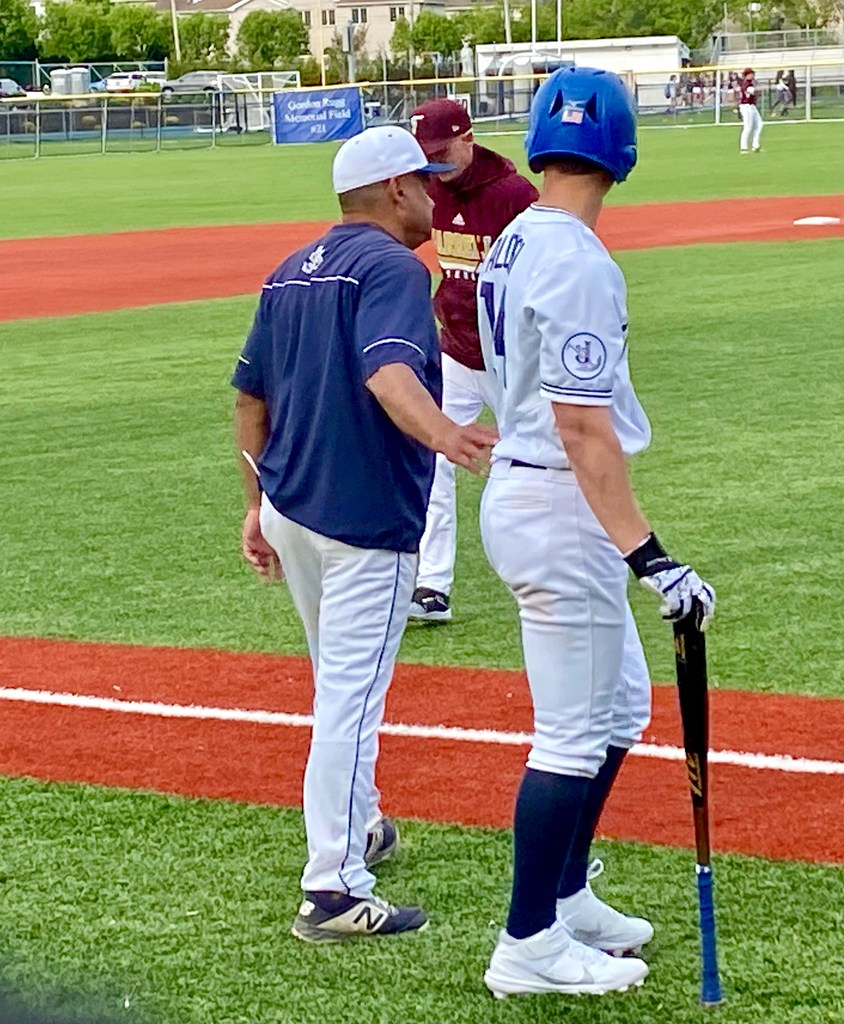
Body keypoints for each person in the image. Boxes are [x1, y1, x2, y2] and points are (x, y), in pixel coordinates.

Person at [476, 67, 716, 998]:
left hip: (534, 489)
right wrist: (650, 558)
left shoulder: (515, 237)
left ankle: (567, 898)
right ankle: (526, 944)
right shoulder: (576, 257)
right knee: (572, 734)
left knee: (618, 710)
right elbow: (582, 424)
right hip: (554, 498)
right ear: (623, 151)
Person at [232, 125, 497, 942]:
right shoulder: (390, 267)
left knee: (335, 684)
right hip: (359, 521)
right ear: (393, 191)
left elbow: (248, 398)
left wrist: (253, 504)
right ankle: (334, 889)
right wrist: (445, 435)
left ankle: (363, 824)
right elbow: (387, 371)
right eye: (421, 182)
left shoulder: (288, 272)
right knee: (350, 698)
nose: (431, 194)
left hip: (292, 507)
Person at [404, 98, 538, 624]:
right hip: (453, 352)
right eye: (425, 157)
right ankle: (432, 585)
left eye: (441, 152)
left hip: (509, 360)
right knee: (435, 460)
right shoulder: (429, 187)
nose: (434, 165)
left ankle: (543, 569)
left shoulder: (513, 195)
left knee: (534, 462)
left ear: (468, 137)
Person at [738, 66, 763, 152]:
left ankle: (755, 145)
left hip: (751, 106)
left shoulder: (750, 83)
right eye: (751, 73)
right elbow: (753, 92)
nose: (752, 75)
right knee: (748, 126)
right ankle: (743, 147)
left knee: (759, 124)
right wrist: (757, 89)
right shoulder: (747, 83)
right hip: (746, 106)